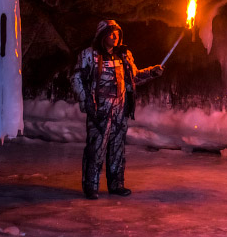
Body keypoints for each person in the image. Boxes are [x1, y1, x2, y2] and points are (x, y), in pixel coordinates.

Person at [70, 20, 164, 199]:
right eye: (111, 33)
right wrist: (86, 101)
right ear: (102, 35)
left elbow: (133, 78)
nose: (115, 37)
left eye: (118, 33)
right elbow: (76, 78)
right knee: (96, 148)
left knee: (117, 149)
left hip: (119, 111)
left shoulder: (124, 56)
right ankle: (91, 186)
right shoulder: (89, 55)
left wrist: (152, 72)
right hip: (99, 111)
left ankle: (116, 185)